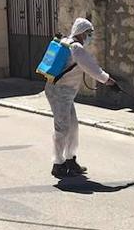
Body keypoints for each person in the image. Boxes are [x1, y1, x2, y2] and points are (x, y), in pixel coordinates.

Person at [45, 17, 116, 178]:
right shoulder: (76, 48)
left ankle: (70, 159)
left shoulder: (66, 42)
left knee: (73, 126)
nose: (90, 36)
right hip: (60, 91)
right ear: (81, 33)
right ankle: (58, 164)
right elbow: (93, 68)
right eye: (88, 33)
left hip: (62, 92)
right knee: (62, 127)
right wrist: (109, 81)